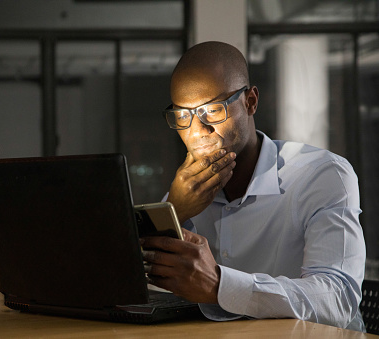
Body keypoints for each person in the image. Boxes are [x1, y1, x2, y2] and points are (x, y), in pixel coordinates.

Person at [140, 41, 366, 331]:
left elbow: (338, 299)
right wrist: (174, 209)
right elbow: (133, 281)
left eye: (212, 109)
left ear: (250, 101)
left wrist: (220, 285)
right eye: (183, 116)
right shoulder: (187, 192)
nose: (197, 131)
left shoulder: (322, 175)